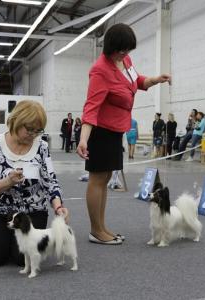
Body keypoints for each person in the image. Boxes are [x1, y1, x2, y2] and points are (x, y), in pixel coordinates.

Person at [77, 23, 171, 244]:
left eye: (129, 50)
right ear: (111, 47)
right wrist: (83, 139)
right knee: (97, 178)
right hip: (100, 131)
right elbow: (91, 107)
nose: (126, 54)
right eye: (122, 50)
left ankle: (102, 227)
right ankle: (95, 230)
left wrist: (156, 79)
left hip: (116, 130)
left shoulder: (125, 61)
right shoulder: (100, 70)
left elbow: (136, 80)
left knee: (107, 177)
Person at [0, 100, 68, 267]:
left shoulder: (42, 146)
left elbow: (51, 181)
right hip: (1, 212)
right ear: (16, 121)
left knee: (23, 259)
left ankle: (15, 243)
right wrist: (8, 181)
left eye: (38, 130)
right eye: (30, 129)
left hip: (32, 212)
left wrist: (58, 207)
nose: (34, 134)